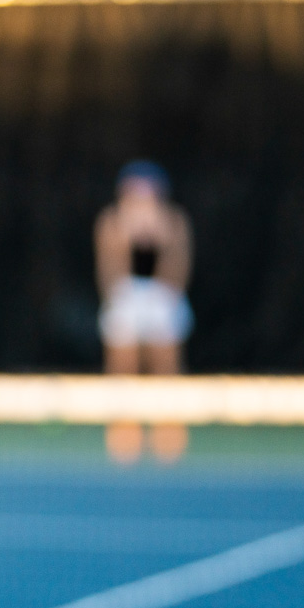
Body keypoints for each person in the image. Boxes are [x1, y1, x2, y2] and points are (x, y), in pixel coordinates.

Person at [93, 159, 193, 464]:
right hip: (126, 293)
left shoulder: (174, 221)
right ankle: (124, 427)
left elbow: (179, 267)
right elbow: (108, 271)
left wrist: (162, 243)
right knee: (122, 359)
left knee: (166, 359)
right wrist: (125, 240)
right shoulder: (111, 221)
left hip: (161, 294)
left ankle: (168, 426)